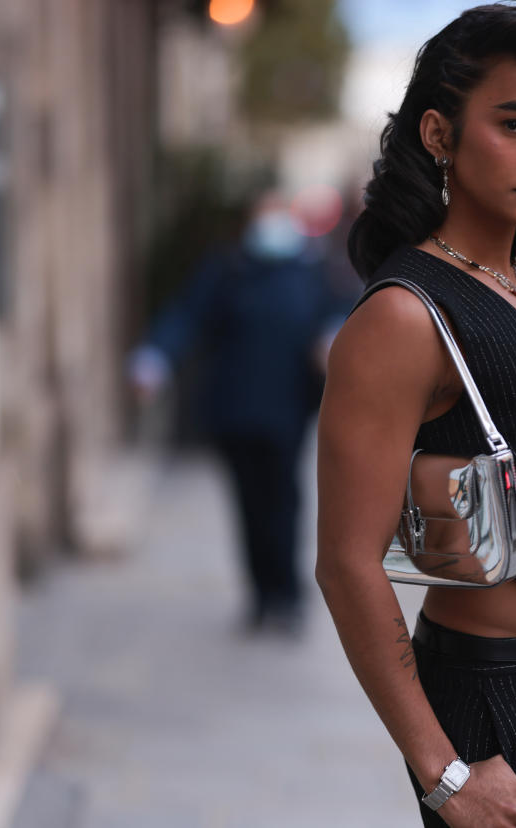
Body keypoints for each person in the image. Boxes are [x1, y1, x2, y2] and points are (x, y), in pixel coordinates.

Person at [315, 5, 516, 826]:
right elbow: (346, 564)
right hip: (492, 716)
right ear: (438, 133)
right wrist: (444, 772)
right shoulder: (404, 314)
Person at [132, 191, 339, 636]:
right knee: (248, 505)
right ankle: (262, 598)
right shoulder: (228, 269)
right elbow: (186, 317)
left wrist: (332, 338)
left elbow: (343, 314)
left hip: (287, 411)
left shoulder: (311, 272)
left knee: (284, 503)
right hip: (234, 409)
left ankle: (288, 597)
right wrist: (154, 359)